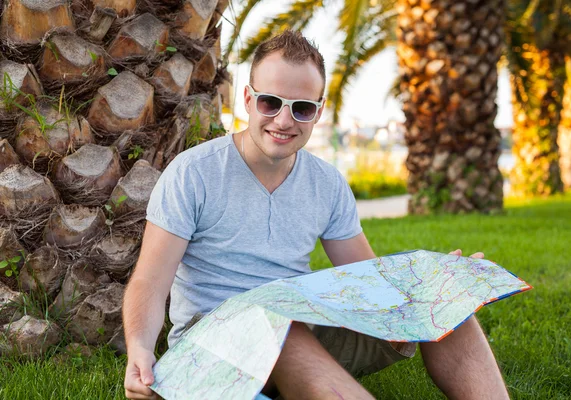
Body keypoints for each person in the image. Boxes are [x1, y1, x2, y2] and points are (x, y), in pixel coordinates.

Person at [122, 30, 509, 400]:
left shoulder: (326, 182)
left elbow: (369, 283)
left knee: (442, 301)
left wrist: (439, 283)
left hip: (298, 329)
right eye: (270, 102)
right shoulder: (194, 173)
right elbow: (150, 282)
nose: (284, 120)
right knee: (277, 327)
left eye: (302, 108)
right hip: (212, 348)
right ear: (247, 99)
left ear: (319, 112)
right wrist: (139, 348)